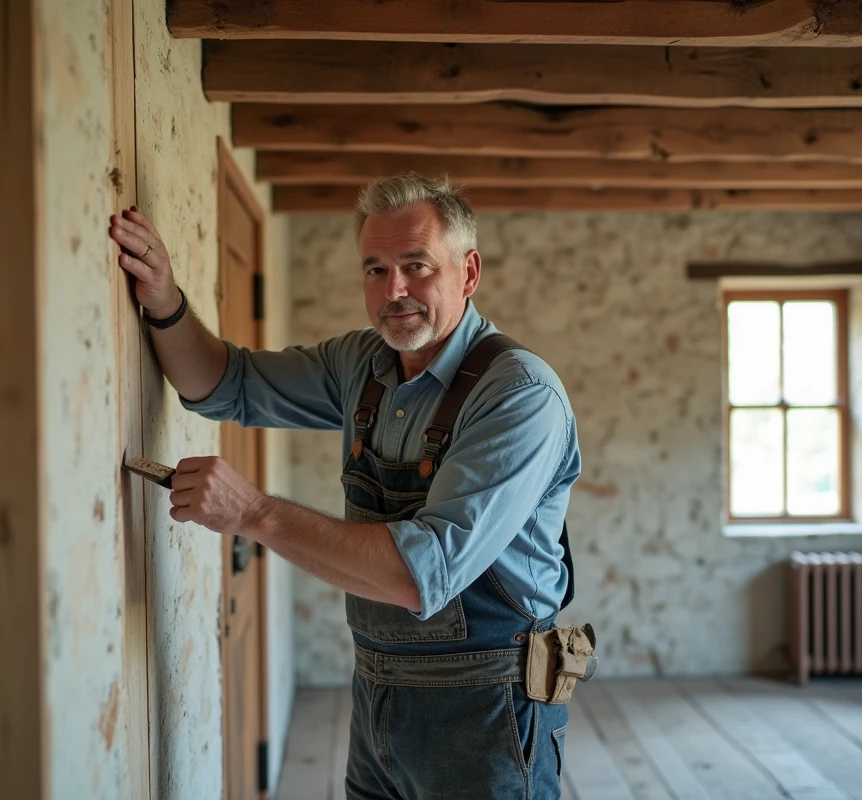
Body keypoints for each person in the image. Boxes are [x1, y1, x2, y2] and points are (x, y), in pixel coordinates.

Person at [107, 173, 591, 799]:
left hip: (488, 708)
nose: (395, 290)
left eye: (417, 266)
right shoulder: (361, 364)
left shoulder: (521, 395)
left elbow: (418, 575)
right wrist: (165, 300)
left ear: (468, 273)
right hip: (375, 693)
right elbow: (224, 383)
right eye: (375, 269)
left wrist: (254, 513)